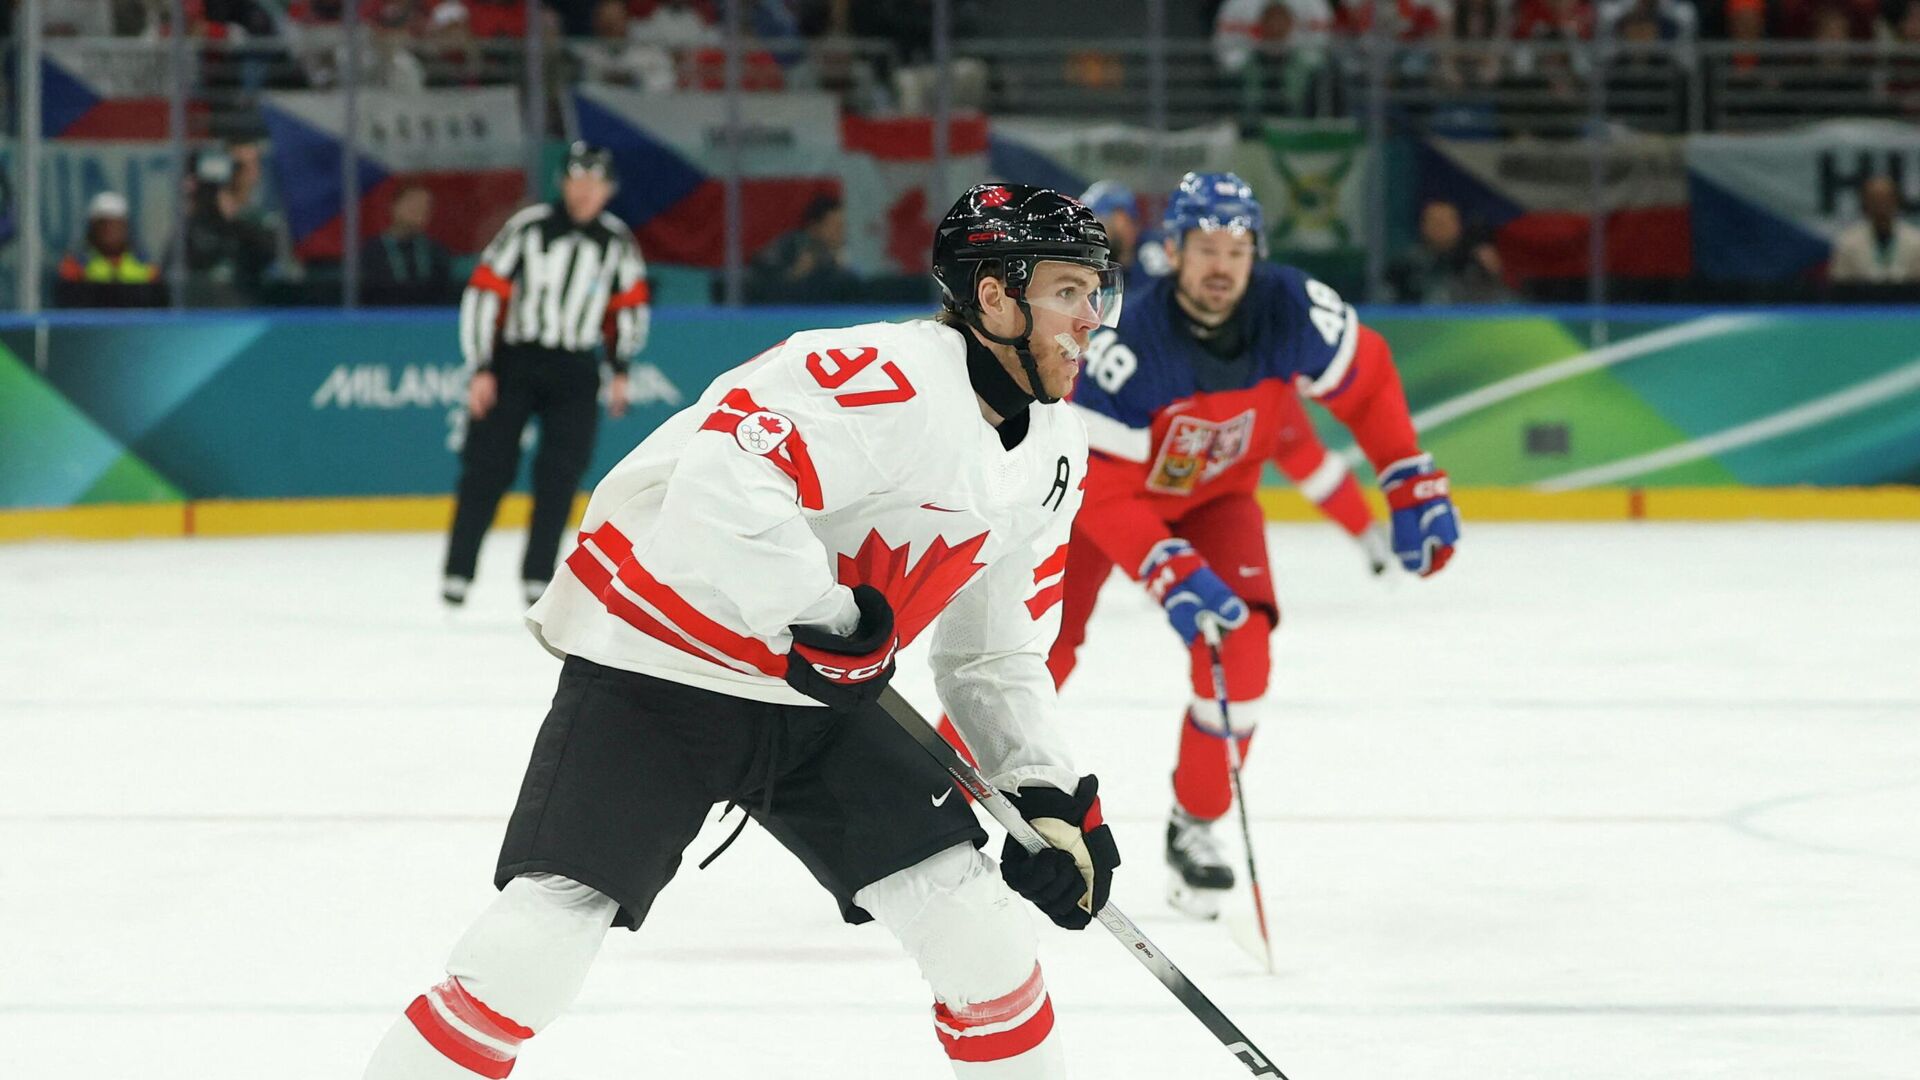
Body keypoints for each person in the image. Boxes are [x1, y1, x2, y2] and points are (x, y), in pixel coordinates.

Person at [362, 183, 1126, 1079]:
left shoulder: (1057, 451)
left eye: (1095, 292)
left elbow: (994, 649)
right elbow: (723, 478)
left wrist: (1045, 789)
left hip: (825, 701)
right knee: (535, 948)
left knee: (980, 938)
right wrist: (824, 617)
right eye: (1067, 291)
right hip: (667, 671)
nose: (1091, 319)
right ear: (993, 296)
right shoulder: (886, 376)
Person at [946, 172, 1459, 920]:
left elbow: (1368, 378)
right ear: (1175, 251)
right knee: (1033, 654)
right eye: (1206, 248)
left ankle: (1196, 823)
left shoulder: (1293, 309)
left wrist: (1407, 474)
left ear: (1257, 254)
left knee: (1242, 648)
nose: (1221, 265)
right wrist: (1165, 565)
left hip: (1217, 502)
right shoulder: (1128, 338)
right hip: (1093, 505)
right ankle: (934, 796)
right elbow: (1098, 476)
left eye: (1236, 249)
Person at [443, 143, 650, 610]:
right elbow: (484, 292)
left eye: (595, 183)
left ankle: (538, 574)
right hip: (516, 362)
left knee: (561, 474)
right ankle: (459, 569)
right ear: (563, 183)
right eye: (577, 181)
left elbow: (629, 307)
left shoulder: (616, 241)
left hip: (576, 368)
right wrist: (481, 366)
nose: (585, 192)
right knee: (488, 465)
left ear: (609, 190)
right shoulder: (528, 228)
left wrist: (620, 367)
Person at [1386, 199, 1510, 304]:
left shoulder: (1475, 262)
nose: (1440, 227)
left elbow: (1501, 301)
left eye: (1445, 222)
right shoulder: (1404, 265)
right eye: (1434, 222)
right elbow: (1386, 301)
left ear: (1458, 225)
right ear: (1422, 226)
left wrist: (1494, 275)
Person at [744, 192, 861, 303]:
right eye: (836, 226)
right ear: (814, 227)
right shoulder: (789, 246)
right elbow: (758, 283)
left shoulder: (843, 254)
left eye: (844, 226)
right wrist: (795, 274)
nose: (842, 232)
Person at [54, 191, 163, 309]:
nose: (110, 230)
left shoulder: (146, 266)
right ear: (92, 227)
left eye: (116, 224)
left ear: (125, 226)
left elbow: (158, 305)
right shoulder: (75, 265)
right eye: (103, 224)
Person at [360, 181, 454, 306]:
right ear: (394, 206)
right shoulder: (371, 252)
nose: (419, 211)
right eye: (412, 204)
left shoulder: (437, 252)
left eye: (425, 206)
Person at [1829, 175, 1920, 285]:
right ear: (1865, 203)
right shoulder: (1847, 242)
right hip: (1861, 296)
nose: (1881, 206)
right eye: (1875, 201)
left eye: (1886, 200)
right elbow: (1839, 285)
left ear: (1896, 201)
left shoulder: (1916, 241)